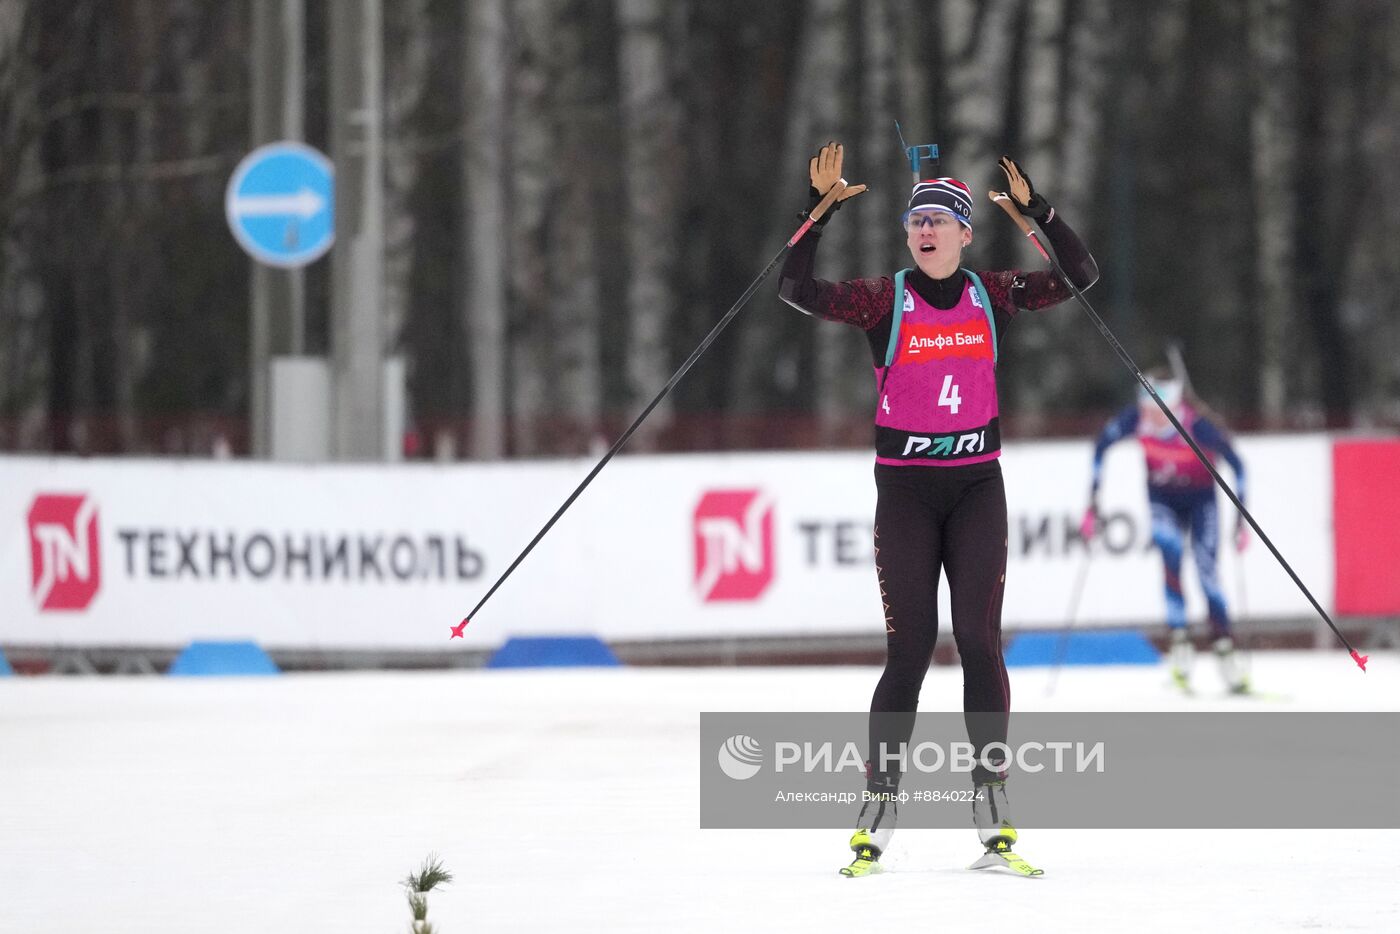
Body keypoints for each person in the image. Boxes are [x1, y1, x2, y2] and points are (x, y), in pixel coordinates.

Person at [778, 142, 1099, 877]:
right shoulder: (884, 299)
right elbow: (795, 290)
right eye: (914, 220)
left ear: (964, 232)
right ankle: (879, 802)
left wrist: (1039, 212)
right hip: (907, 493)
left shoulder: (994, 291)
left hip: (978, 488)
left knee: (980, 642)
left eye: (938, 220)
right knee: (911, 648)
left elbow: (1081, 277)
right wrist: (817, 212)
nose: (923, 230)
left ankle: (991, 802)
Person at [1083, 368, 1250, 694]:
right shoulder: (1136, 420)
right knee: (1171, 559)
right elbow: (1102, 446)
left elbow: (1238, 465)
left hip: (1202, 503)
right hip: (1162, 501)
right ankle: (1180, 650)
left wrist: (1241, 520)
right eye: (1147, 406)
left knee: (1207, 573)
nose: (1152, 417)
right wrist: (1093, 500)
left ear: (1174, 405)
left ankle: (1225, 650)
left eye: (1160, 409)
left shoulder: (1197, 425)